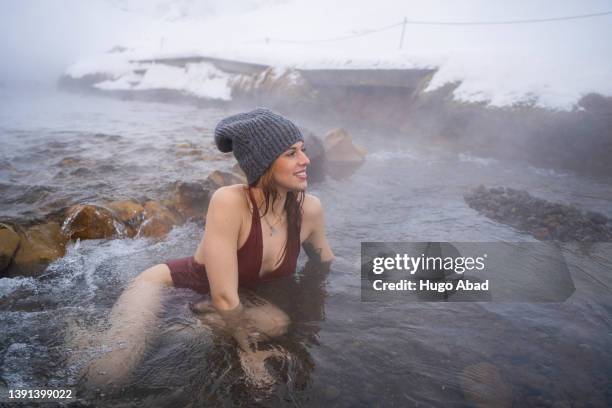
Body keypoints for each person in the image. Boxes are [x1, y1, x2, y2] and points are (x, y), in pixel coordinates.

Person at [84, 108, 334, 389]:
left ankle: (165, 330)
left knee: (276, 322)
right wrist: (249, 354)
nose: (306, 160)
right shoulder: (230, 202)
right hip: (172, 287)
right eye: (291, 153)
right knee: (105, 378)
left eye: (302, 150)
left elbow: (323, 262)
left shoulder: (309, 209)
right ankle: (80, 332)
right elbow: (225, 296)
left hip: (218, 302)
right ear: (263, 164)